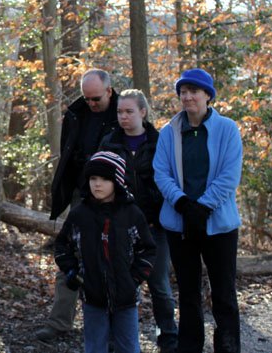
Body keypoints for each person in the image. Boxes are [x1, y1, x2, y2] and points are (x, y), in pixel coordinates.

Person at [153, 68, 242, 353]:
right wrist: (181, 203)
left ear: (207, 95)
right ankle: (189, 347)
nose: (188, 97)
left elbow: (229, 175)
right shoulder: (169, 132)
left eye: (194, 91)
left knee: (224, 293)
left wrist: (202, 207)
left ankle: (227, 347)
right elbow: (160, 172)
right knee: (189, 293)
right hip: (180, 225)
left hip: (219, 226)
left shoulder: (227, 129)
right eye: (183, 92)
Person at [37, 68, 120, 343]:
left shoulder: (124, 112)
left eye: (96, 98)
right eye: (87, 98)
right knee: (69, 255)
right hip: (80, 194)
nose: (91, 104)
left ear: (109, 91)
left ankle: (114, 327)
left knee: (112, 259)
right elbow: (67, 152)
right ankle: (59, 322)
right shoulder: (76, 113)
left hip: (114, 197)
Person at [99, 89, 178, 352]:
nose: (123, 116)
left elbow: (170, 181)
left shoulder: (161, 142)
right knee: (118, 286)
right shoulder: (109, 143)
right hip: (119, 228)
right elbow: (99, 182)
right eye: (120, 111)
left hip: (155, 228)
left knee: (160, 288)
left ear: (143, 112)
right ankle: (114, 341)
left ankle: (168, 337)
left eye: (129, 111)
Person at [54, 151, 156, 353]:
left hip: (126, 298)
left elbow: (148, 249)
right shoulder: (79, 215)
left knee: (128, 347)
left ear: (117, 181)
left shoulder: (131, 214)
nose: (97, 184)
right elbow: (62, 246)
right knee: (94, 347)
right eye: (93, 178)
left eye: (104, 179)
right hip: (93, 296)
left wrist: (134, 278)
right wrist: (73, 272)